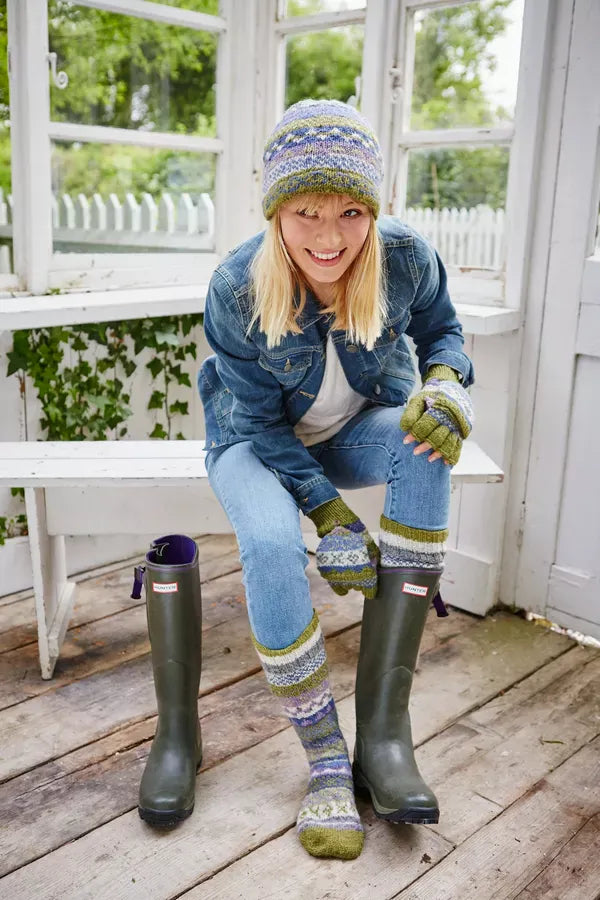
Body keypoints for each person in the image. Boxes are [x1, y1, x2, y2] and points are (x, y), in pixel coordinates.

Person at [197, 98, 474, 860]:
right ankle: (324, 759)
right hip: (255, 443)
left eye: (352, 211)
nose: (330, 237)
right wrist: (329, 515)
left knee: (426, 444)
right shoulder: (236, 289)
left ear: (375, 208)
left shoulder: (406, 259)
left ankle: (384, 737)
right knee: (271, 542)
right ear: (277, 210)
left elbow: (443, 331)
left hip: (354, 429)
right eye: (307, 212)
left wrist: (446, 382)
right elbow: (258, 423)